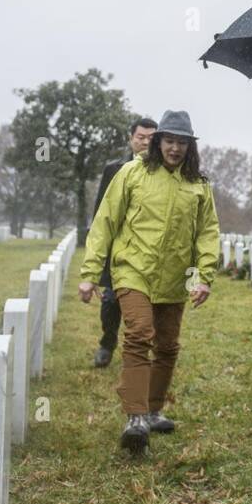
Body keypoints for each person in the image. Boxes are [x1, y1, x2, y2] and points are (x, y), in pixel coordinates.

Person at [78, 111, 219, 456]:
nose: (174, 148)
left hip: (175, 277)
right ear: (158, 142)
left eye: (181, 142)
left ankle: (154, 410)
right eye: (169, 141)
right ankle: (135, 417)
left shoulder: (198, 184)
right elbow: (105, 222)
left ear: (190, 147)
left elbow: (207, 232)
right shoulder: (132, 173)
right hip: (133, 270)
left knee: (168, 346)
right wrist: (90, 273)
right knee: (140, 335)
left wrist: (203, 275)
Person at [91, 117, 157, 368]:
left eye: (152, 138)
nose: (145, 142)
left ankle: (141, 349)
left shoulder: (162, 172)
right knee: (110, 301)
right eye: (141, 137)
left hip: (146, 250)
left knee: (145, 303)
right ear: (131, 139)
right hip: (116, 248)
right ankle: (107, 343)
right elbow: (101, 211)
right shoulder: (114, 169)